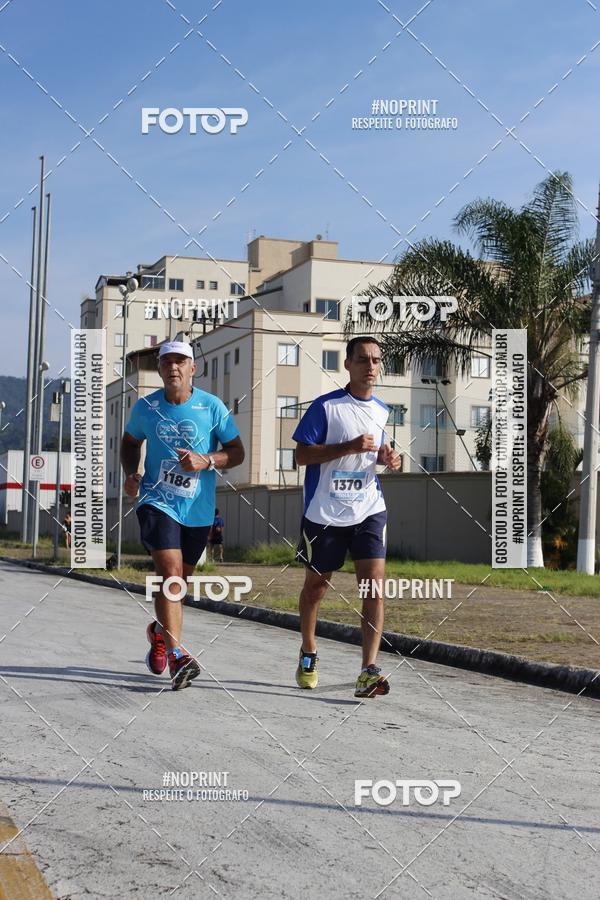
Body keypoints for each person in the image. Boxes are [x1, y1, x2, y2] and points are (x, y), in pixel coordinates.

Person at [121, 341, 244, 690]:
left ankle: (159, 633)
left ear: (192, 369)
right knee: (170, 572)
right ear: (159, 370)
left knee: (176, 584)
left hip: (198, 509)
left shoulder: (211, 407)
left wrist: (208, 460)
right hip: (157, 501)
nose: (173, 367)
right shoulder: (146, 408)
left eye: (180, 362)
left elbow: (237, 452)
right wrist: (133, 473)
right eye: (167, 362)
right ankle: (179, 657)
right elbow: (130, 443)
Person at [292, 336, 402, 698]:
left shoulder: (383, 410)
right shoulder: (326, 407)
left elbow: (372, 460)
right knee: (316, 588)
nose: (370, 366)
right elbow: (302, 456)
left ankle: (368, 669)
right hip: (324, 513)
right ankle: (309, 651)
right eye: (363, 360)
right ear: (348, 364)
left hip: (368, 509)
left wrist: (387, 460)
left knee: (374, 587)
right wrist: (349, 447)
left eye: (376, 360)